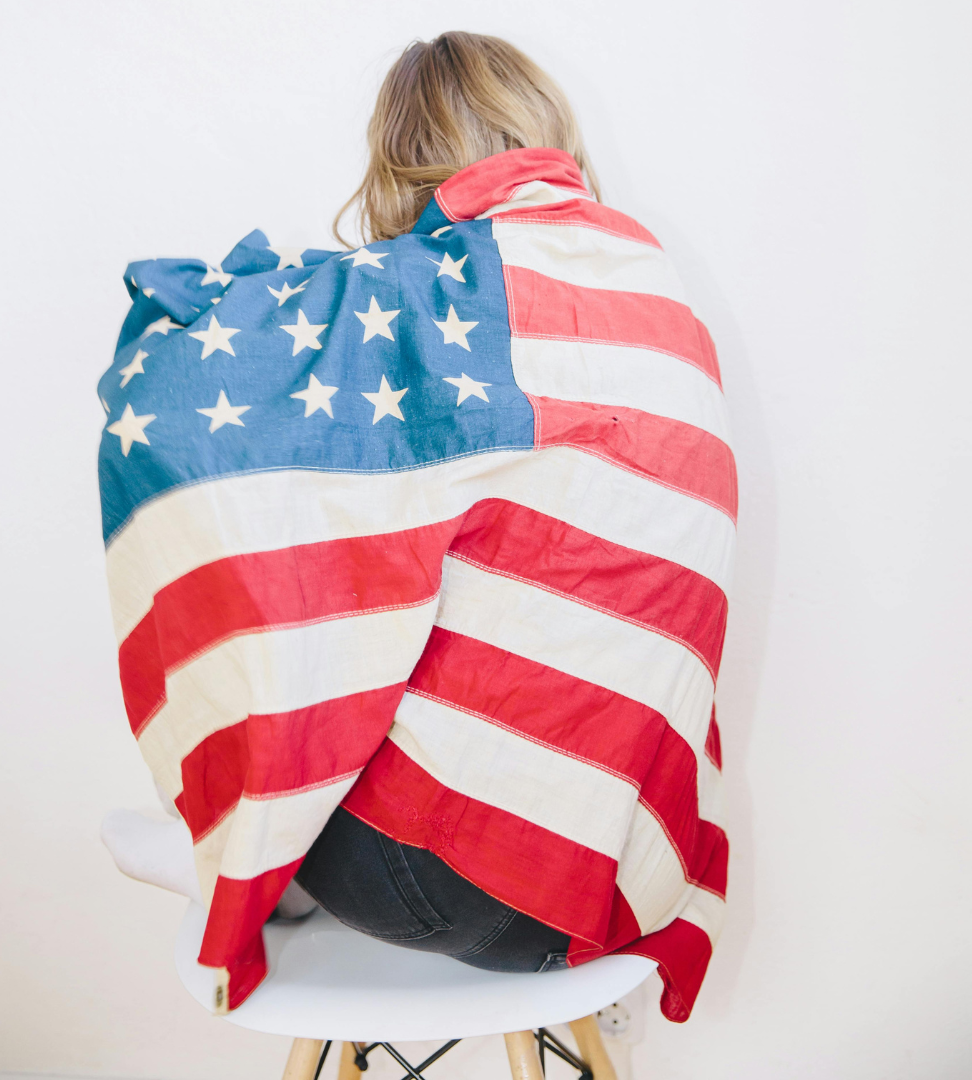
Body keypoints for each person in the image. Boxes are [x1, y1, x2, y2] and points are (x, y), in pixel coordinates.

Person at [99, 31, 734, 1022]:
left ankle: (242, 860)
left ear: (402, 159)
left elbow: (184, 394)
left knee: (316, 634)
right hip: (621, 875)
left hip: (445, 892)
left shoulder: (444, 290)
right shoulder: (655, 286)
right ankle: (280, 866)